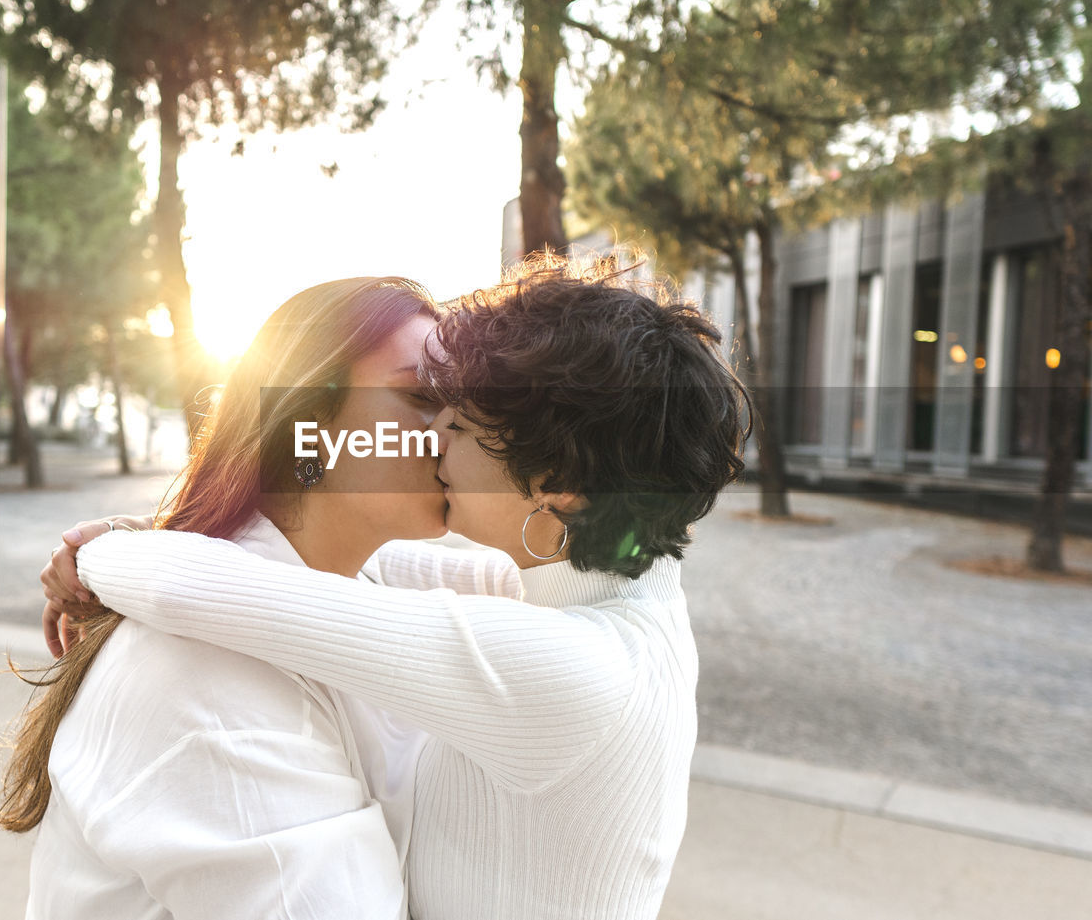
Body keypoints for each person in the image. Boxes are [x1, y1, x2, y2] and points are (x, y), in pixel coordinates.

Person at [44, 252, 750, 920]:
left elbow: (237, 594)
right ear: (310, 426)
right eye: (421, 395)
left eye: (461, 414)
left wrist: (102, 556)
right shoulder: (620, 586)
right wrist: (166, 528)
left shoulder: (566, 665)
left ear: (558, 486)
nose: (437, 430)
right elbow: (348, 576)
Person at [0, 275, 451, 919]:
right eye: (421, 394)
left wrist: (125, 543)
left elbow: (514, 579)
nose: (460, 425)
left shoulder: (355, 585)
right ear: (309, 420)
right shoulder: (211, 683)